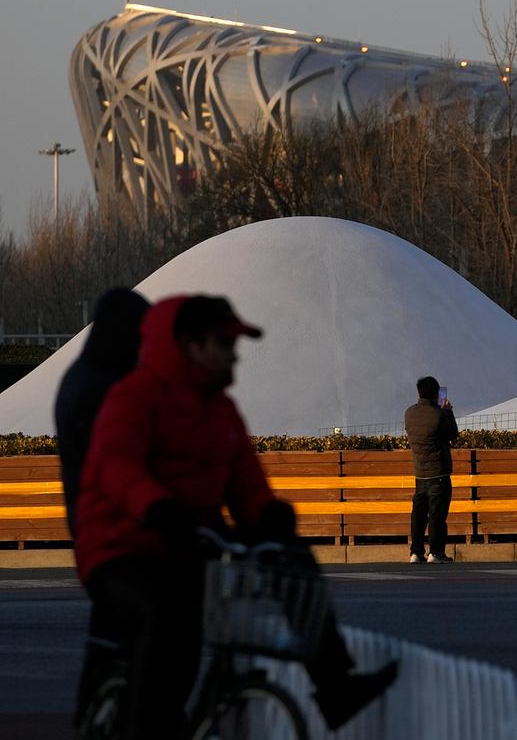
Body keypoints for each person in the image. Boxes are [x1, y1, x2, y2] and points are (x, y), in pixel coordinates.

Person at [75, 295, 396, 739]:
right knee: (165, 620)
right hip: (121, 545)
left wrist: (268, 514)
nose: (234, 353)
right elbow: (116, 465)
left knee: (291, 559)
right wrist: (156, 506)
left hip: (190, 538)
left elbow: (246, 483)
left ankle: (334, 684)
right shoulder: (135, 397)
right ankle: (141, 728)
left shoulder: (221, 410)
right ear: (191, 345)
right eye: (224, 343)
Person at [52, 287, 149, 730]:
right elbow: (116, 465)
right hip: (106, 532)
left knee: (115, 633)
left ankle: (99, 708)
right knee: (142, 622)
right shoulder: (98, 388)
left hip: (110, 529)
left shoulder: (93, 376)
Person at [405, 374, 458, 564]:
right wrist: (448, 412)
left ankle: (415, 551)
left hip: (419, 473)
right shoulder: (438, 414)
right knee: (437, 514)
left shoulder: (409, 413)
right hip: (439, 472)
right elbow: (453, 434)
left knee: (419, 514)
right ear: (436, 394)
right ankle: (435, 552)